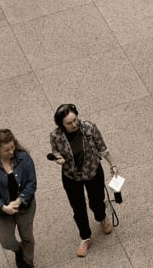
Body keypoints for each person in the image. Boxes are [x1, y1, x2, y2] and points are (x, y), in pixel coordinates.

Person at [50, 103, 118, 257]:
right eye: (69, 123)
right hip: (71, 176)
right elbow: (55, 151)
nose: (74, 124)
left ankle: (101, 216)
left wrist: (112, 165)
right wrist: (58, 158)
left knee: (96, 200)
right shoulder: (55, 136)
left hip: (92, 170)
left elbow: (102, 147)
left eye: (75, 119)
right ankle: (85, 237)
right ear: (61, 124)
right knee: (78, 207)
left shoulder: (89, 128)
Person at [0, 129, 37, 268]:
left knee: (27, 237)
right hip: (3, 210)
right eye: (7, 150)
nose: (12, 152)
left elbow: (31, 183)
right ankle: (19, 251)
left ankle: (28, 262)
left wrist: (19, 201)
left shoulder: (24, 158)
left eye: (12, 147)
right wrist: (3, 207)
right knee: (6, 241)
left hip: (25, 207)